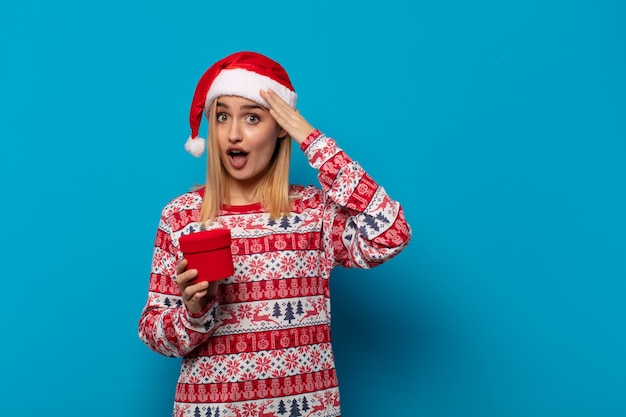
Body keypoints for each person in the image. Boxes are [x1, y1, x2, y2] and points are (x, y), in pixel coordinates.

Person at [138, 51, 412, 417]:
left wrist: (312, 140)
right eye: (222, 117)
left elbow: (391, 233)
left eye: (252, 117)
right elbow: (153, 331)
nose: (233, 133)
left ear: (281, 125)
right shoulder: (181, 216)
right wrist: (194, 312)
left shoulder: (315, 213)